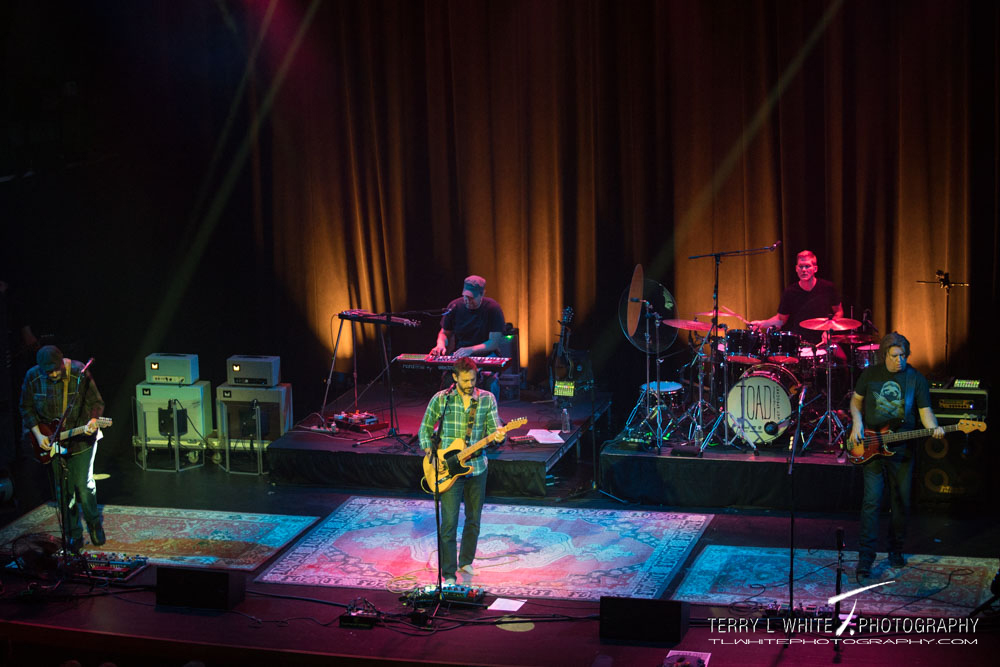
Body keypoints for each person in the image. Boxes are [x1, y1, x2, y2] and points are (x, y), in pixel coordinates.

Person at [848, 332, 943, 579]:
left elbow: (925, 412)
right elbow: (856, 403)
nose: (899, 360)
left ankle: (896, 550)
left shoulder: (916, 380)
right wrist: (857, 424)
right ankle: (866, 558)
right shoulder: (870, 375)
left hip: (901, 449)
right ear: (884, 355)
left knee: (900, 502)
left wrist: (934, 428)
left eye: (903, 356)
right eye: (894, 356)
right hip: (871, 446)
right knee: (871, 502)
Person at [418, 357, 505, 585]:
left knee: (473, 519)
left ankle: (466, 561)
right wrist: (430, 453)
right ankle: (448, 574)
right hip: (447, 468)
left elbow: (493, 430)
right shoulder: (442, 399)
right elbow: (425, 430)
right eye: (465, 380)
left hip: (477, 467)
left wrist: (498, 437)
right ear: (455, 377)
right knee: (448, 524)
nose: (469, 384)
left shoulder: (487, 399)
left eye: (473, 379)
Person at [19, 345, 106, 552]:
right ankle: (73, 535)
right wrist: (39, 436)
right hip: (53, 443)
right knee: (63, 492)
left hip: (81, 440)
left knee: (83, 486)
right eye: (48, 371)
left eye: (56, 369)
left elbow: (97, 402)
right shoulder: (32, 377)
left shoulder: (77, 371)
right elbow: (26, 407)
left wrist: (93, 421)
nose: (54, 374)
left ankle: (94, 524)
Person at [430, 275, 506, 396]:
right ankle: (448, 414)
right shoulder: (454, 306)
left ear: (482, 294)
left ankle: (491, 414)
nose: (467, 300)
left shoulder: (493, 309)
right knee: (448, 381)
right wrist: (440, 345)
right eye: (465, 296)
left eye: (471, 298)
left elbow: (493, 342)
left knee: (490, 383)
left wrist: (471, 350)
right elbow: (445, 332)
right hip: (461, 354)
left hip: (486, 354)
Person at [751, 249, 844, 345]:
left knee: (842, 359)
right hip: (799, 343)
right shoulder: (790, 292)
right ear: (796, 269)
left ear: (815, 269)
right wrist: (761, 323)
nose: (803, 270)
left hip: (823, 341)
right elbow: (781, 320)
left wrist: (830, 330)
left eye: (807, 266)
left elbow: (839, 311)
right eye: (801, 266)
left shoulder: (828, 287)